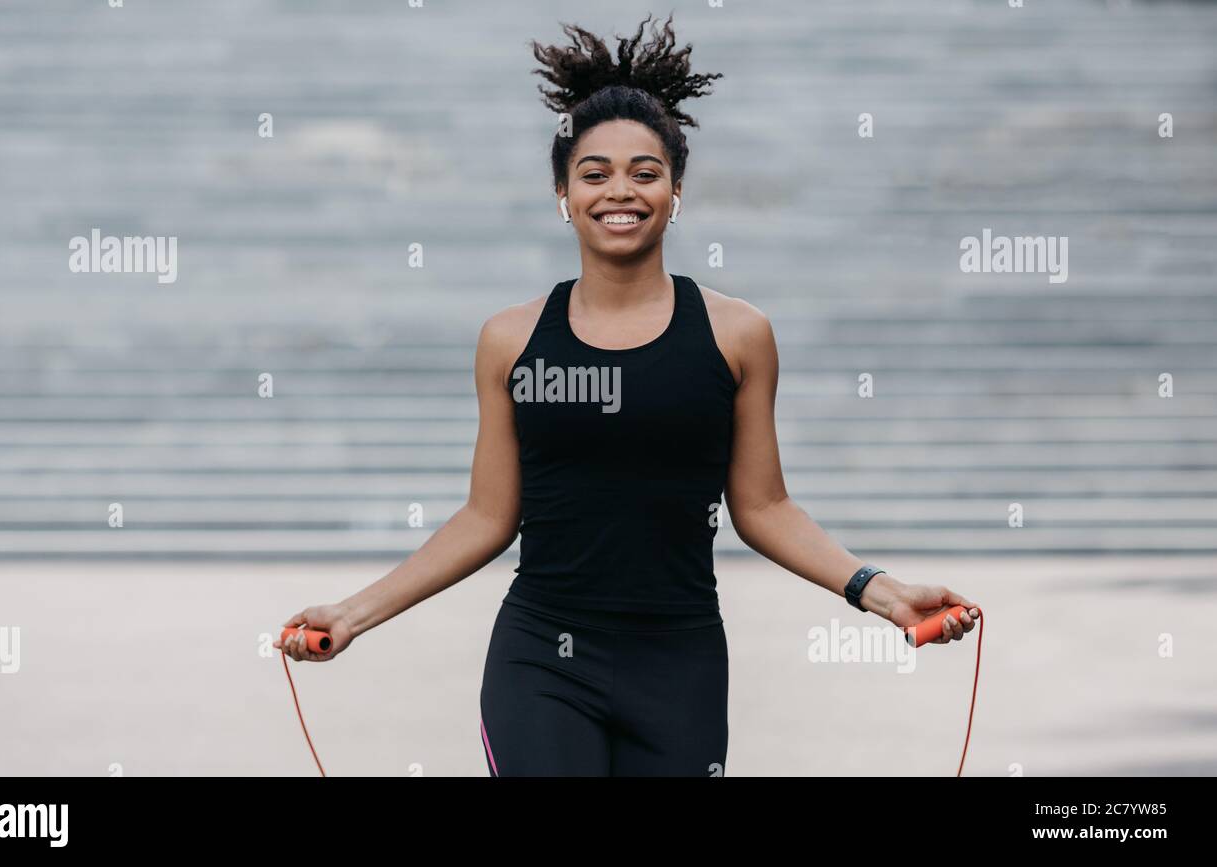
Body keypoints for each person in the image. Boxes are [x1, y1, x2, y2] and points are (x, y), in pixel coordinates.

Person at [275, 13, 978, 776]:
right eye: (595, 172)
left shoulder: (737, 335)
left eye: (646, 172)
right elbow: (487, 514)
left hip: (680, 661)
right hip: (540, 658)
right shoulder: (510, 341)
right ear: (562, 194)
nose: (621, 191)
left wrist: (881, 591)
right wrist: (352, 613)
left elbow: (765, 507)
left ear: (676, 193)